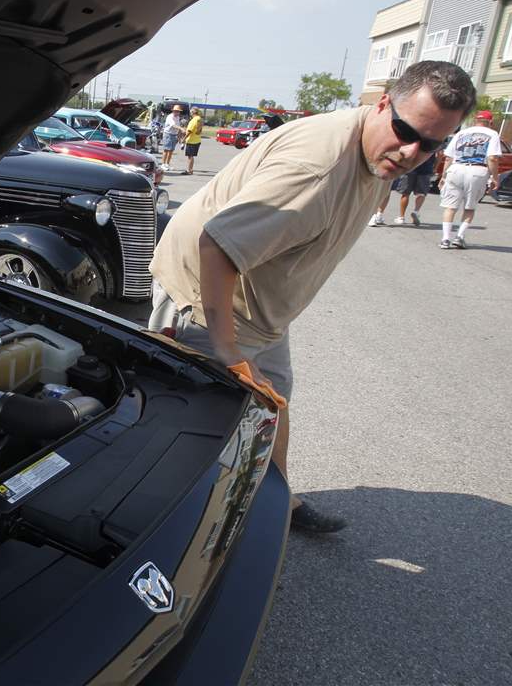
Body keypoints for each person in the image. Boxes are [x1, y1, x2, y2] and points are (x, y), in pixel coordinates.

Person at [148, 61, 474, 533]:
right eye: (406, 131)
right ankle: (173, 533)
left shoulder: (379, 149)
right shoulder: (315, 170)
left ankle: (274, 500)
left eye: (431, 144)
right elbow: (216, 246)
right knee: (199, 422)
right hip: (204, 302)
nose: (411, 152)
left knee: (272, 399)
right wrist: (229, 351)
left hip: (262, 308)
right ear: (382, 105)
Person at [438, 110, 501, 249]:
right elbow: (492, 158)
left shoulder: (461, 133)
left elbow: (448, 157)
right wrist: (494, 177)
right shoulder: (492, 134)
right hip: (477, 170)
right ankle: (459, 236)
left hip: (456, 168)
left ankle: (445, 238)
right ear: (490, 122)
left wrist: (443, 176)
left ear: (475, 120)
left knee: (450, 206)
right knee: (470, 206)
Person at [368, 152, 436, 226]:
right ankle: (416, 211)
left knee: (404, 193)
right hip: (425, 168)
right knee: (421, 193)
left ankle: (400, 217)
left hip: (408, 168)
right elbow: (440, 154)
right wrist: (435, 167)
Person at [161, 104, 184, 170]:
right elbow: (173, 125)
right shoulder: (170, 117)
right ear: (173, 111)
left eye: (178, 111)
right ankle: (163, 164)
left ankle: (167, 164)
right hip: (168, 134)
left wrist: (179, 137)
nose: (177, 112)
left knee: (171, 150)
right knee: (166, 150)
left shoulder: (178, 117)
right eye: (176, 111)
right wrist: (181, 128)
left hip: (174, 135)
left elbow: (177, 127)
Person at [183, 108, 203, 174]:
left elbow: (190, 131)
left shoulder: (194, 120)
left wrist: (184, 138)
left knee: (190, 156)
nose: (190, 113)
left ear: (193, 112)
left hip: (192, 140)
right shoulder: (199, 119)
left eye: (191, 112)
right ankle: (190, 169)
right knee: (191, 156)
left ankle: (189, 170)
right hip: (197, 140)